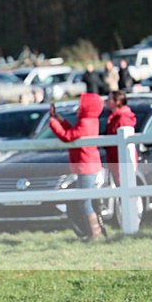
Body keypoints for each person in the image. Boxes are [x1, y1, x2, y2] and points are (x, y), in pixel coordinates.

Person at [49, 93, 105, 240]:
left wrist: (53, 124)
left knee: (84, 201)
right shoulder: (89, 121)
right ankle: (93, 233)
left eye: (82, 105)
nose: (79, 108)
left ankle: (95, 234)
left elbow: (67, 137)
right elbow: (73, 133)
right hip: (87, 165)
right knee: (84, 200)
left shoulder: (86, 122)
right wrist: (62, 121)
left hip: (86, 166)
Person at [104, 90, 136, 186]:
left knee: (125, 187)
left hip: (121, 160)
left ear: (117, 102)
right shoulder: (114, 118)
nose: (106, 101)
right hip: (115, 160)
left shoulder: (122, 119)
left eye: (109, 99)